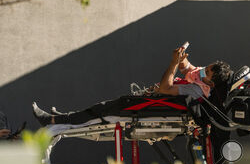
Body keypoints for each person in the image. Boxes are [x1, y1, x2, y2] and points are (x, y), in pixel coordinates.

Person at [33, 45, 232, 126]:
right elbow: (187, 68)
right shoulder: (201, 78)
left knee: (100, 110)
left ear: (211, 83)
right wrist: (180, 58)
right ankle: (59, 118)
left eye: (207, 72)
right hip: (148, 102)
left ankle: (53, 121)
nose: (203, 70)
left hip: (146, 107)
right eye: (206, 67)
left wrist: (172, 63)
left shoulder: (197, 90)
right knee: (99, 108)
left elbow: (165, 89)